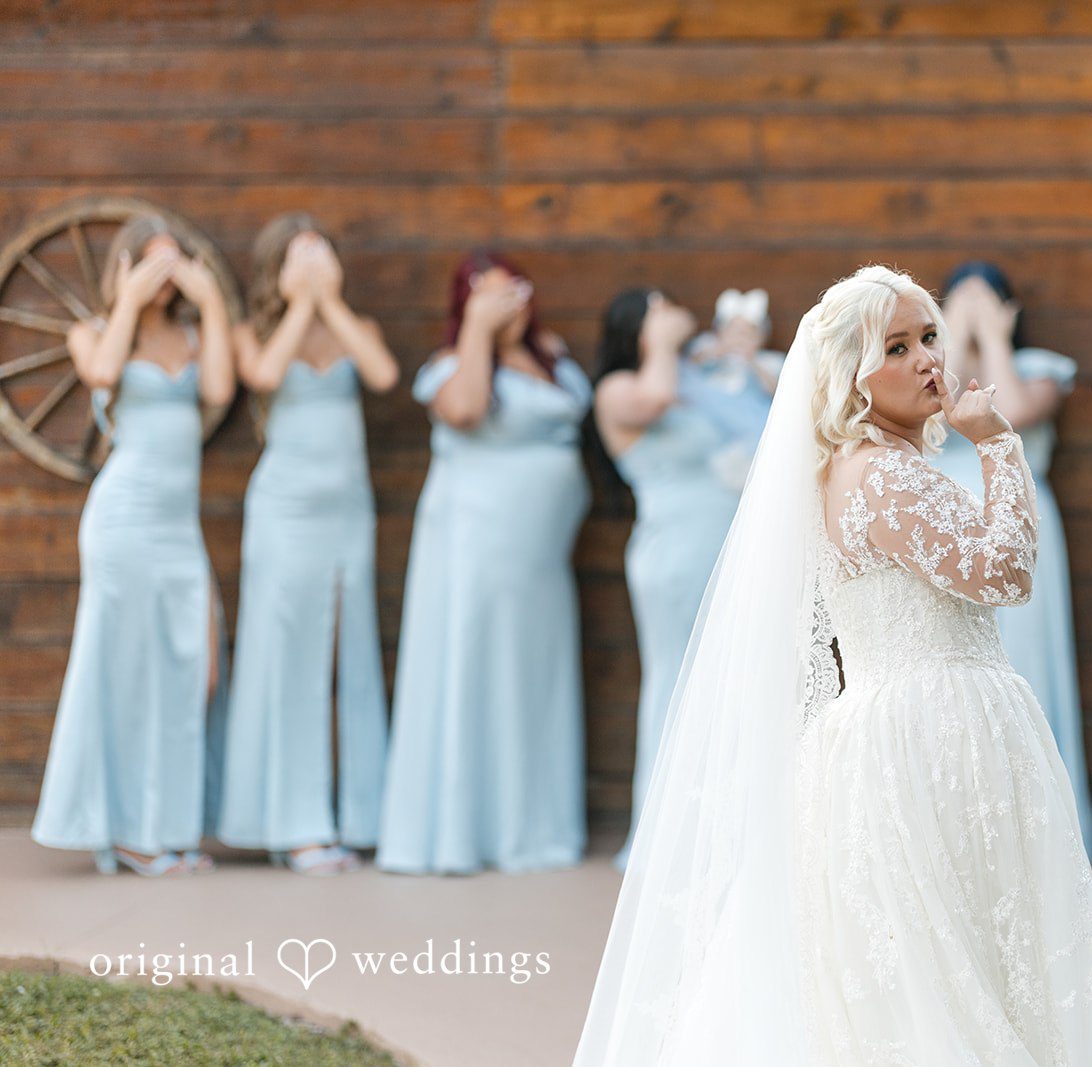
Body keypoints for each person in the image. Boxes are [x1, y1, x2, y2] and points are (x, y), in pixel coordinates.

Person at [574, 265, 1092, 1065]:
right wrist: (997, 442)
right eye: (896, 347)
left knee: (937, 967)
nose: (927, 359)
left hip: (895, 729)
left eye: (930, 337)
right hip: (933, 732)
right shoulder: (884, 474)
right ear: (851, 375)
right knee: (954, 974)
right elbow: (1006, 573)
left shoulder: (844, 471)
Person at [31, 215, 234, 876]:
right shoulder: (92, 330)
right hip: (122, 521)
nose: (164, 275)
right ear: (126, 265)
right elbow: (102, 372)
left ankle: (167, 824)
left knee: (194, 670)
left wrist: (210, 300)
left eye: (173, 262)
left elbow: (219, 389)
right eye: (152, 261)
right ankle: (128, 834)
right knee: (125, 670)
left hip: (179, 528)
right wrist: (128, 298)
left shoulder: (193, 335)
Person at [376, 252, 591, 874]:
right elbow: (466, 410)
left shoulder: (550, 357)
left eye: (515, 290)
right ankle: (462, 832)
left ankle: (531, 824)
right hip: (475, 548)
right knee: (475, 668)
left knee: (531, 679)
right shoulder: (452, 366)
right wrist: (477, 330)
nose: (508, 305)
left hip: (539, 561)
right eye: (490, 296)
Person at [218, 214, 397, 875]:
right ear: (278, 268)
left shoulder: (357, 327)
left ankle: (359, 815)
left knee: (353, 654)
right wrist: (300, 305)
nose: (317, 264)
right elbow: (264, 375)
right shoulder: (253, 332)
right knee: (290, 657)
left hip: (349, 511)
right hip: (285, 513)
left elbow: (381, 373)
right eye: (303, 255)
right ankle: (295, 825)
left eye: (323, 252)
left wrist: (331, 303)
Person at [592, 288, 772, 869]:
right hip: (674, 552)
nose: (673, 311)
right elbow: (657, 397)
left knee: (734, 680)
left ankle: (730, 832)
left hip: (727, 548)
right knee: (678, 681)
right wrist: (668, 346)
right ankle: (669, 837)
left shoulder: (697, 376)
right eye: (658, 307)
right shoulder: (620, 387)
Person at [933, 259, 1092, 856]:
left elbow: (1017, 414)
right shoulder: (930, 378)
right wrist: (952, 336)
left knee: (1022, 658)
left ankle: (1038, 828)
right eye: (961, 302)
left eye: (986, 302)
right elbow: (933, 421)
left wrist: (995, 339)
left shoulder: (1036, 369)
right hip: (949, 533)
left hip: (1020, 526)